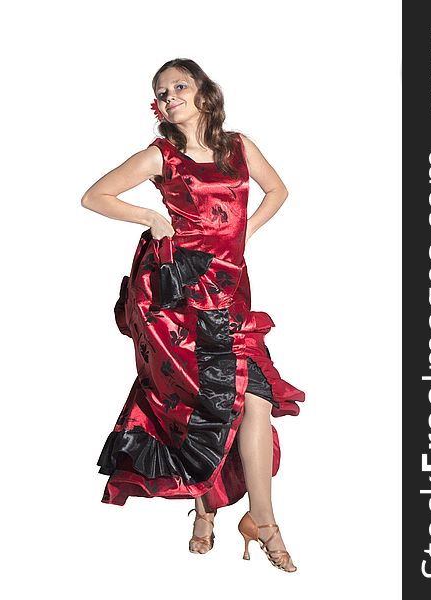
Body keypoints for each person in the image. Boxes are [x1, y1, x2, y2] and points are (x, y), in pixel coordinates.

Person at [81, 58, 305, 572]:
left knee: (255, 400)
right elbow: (95, 195)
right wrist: (151, 217)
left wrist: (243, 234)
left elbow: (278, 191)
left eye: (179, 85)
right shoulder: (160, 156)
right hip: (179, 295)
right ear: (157, 106)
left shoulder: (240, 147)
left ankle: (260, 519)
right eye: (162, 91)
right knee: (193, 404)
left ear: (204, 91)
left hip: (230, 292)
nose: (170, 94)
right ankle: (204, 508)